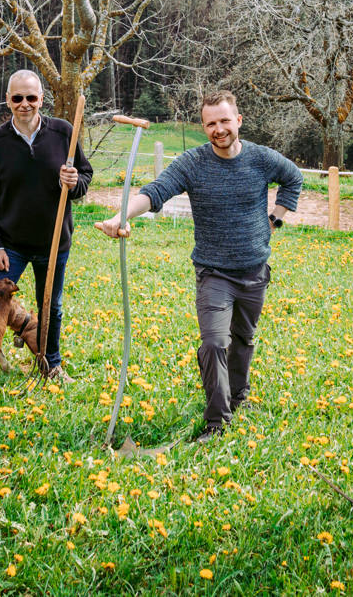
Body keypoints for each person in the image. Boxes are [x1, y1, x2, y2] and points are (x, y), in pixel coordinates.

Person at [96, 90, 302, 442]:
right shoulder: (193, 163)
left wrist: (275, 220)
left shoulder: (261, 158)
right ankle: (216, 422)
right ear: (203, 126)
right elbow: (156, 191)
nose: (218, 129)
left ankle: (238, 396)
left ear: (238, 120)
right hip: (214, 273)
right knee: (213, 343)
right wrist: (120, 215)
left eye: (224, 121)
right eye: (210, 123)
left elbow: (294, 177)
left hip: (255, 270)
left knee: (243, 339)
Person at [0, 70, 94, 382]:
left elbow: (85, 176)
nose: (25, 104)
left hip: (53, 244)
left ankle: (50, 364)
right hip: (10, 245)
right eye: (17, 98)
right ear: (8, 100)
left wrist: (75, 181)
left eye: (31, 98)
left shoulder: (63, 132)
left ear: (41, 99)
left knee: (50, 307)